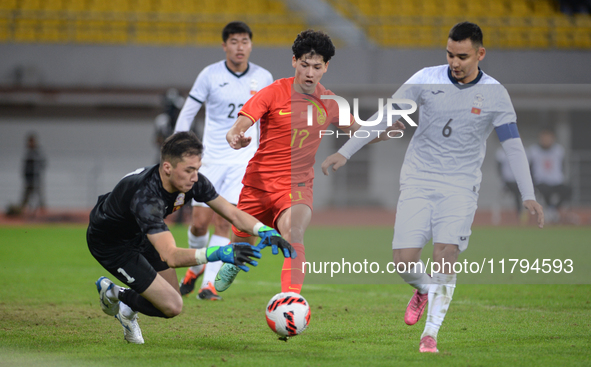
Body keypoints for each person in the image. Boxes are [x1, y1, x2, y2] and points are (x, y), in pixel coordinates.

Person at [321, 22, 544, 353]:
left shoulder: (495, 93)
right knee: (403, 260)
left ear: (480, 54)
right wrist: (345, 151)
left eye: (463, 56)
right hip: (419, 178)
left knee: (446, 254)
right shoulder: (427, 77)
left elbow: (512, 144)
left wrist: (528, 193)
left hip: (461, 185)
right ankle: (423, 289)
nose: (454, 62)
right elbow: (385, 116)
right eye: (450, 54)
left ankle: (431, 335)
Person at [215, 29, 402, 295]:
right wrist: (235, 135)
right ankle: (235, 259)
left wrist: (383, 133)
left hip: (296, 186)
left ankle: (290, 299)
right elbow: (240, 124)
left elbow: (359, 131)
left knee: (294, 234)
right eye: (304, 65)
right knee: (241, 242)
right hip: (258, 185)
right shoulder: (272, 92)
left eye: (316, 66)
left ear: (326, 67)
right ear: (294, 62)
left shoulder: (329, 102)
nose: (310, 73)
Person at [87, 132, 294, 344]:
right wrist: (220, 253)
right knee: (171, 306)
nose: (195, 177)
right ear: (167, 168)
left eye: (197, 169)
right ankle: (113, 292)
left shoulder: (192, 182)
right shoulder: (147, 199)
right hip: (111, 243)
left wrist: (265, 230)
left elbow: (232, 213)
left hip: (143, 232)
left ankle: (127, 309)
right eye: (189, 170)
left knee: (169, 301)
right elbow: (171, 256)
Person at [174, 21, 273, 300]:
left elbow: (268, 119)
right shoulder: (210, 74)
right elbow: (188, 112)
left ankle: (208, 285)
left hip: (242, 161)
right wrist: (179, 148)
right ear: (224, 45)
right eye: (234, 41)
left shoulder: (264, 77)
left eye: (244, 41)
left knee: (223, 223)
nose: (239, 47)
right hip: (211, 160)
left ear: (251, 45)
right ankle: (195, 267)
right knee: (198, 223)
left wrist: (264, 153)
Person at [528, 127, 571, 222]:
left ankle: (553, 209)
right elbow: (530, 169)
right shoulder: (533, 151)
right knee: (545, 191)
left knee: (568, 190)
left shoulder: (559, 150)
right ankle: (548, 210)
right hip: (541, 182)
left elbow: (562, 166)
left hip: (556, 181)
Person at [20, 133, 47, 213]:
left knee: (40, 195)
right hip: (29, 178)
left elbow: (43, 163)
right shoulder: (28, 153)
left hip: (36, 178)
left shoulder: (38, 152)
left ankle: (43, 213)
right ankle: (20, 213)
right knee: (26, 196)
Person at [495, 147, 524, 220]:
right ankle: (520, 212)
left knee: (518, 190)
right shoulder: (501, 153)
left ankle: (521, 212)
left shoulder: (524, 152)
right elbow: (499, 169)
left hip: (519, 181)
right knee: (516, 192)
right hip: (507, 182)